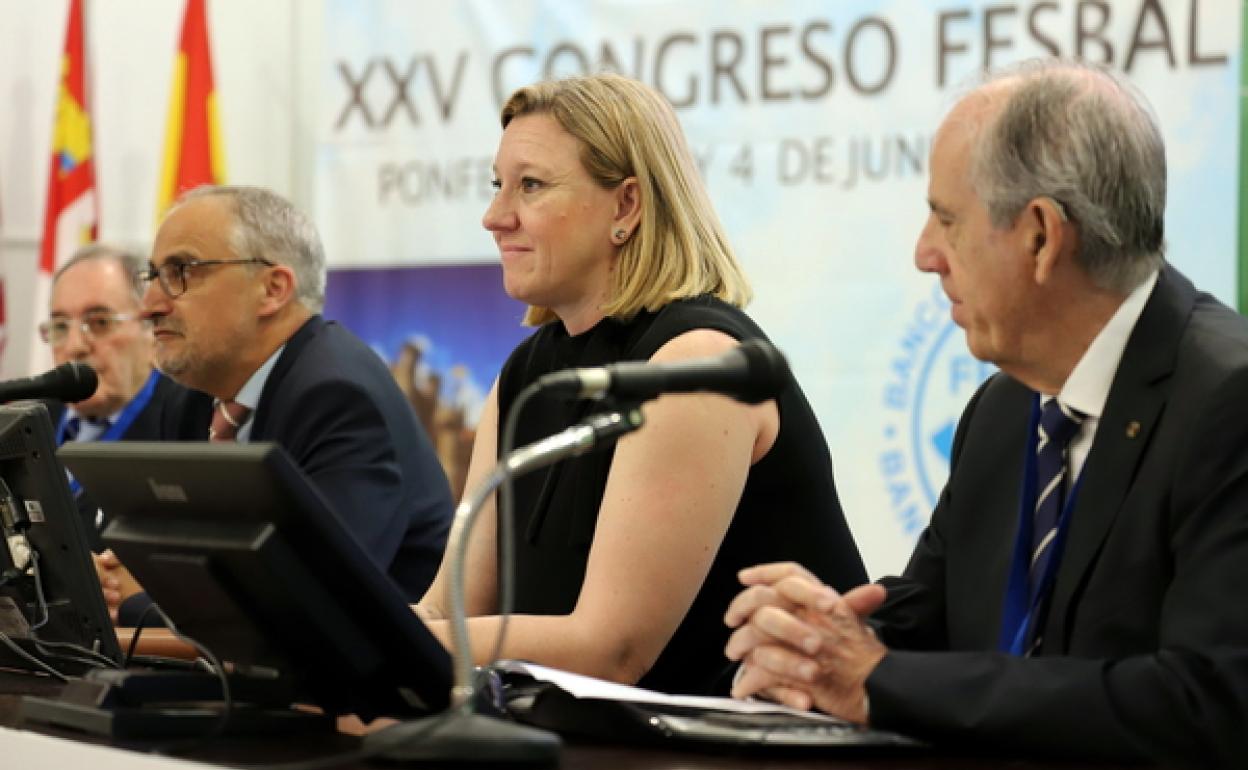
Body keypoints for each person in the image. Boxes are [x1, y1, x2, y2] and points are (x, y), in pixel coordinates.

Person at [723, 59, 1248, 767]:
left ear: (1039, 236)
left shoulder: (1227, 402)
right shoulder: (1005, 408)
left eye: (946, 219)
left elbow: (1204, 704)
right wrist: (820, 634)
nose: (924, 254)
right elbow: (935, 621)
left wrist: (876, 678)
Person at [415, 72, 866, 696]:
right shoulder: (528, 374)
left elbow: (612, 650)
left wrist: (383, 645)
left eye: (531, 186)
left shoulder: (696, 361)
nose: (495, 217)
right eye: (499, 185)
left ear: (625, 206)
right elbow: (447, 610)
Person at [100, 185, 455, 624]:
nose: (150, 305)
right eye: (152, 276)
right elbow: (178, 558)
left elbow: (314, 603)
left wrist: (139, 603)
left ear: (273, 289)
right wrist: (117, 574)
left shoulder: (339, 398)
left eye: (181, 272)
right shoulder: (190, 397)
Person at [41, 244, 211, 551]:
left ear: (151, 330)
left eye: (99, 322)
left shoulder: (191, 424)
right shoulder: (32, 423)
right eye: (60, 326)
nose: (75, 346)